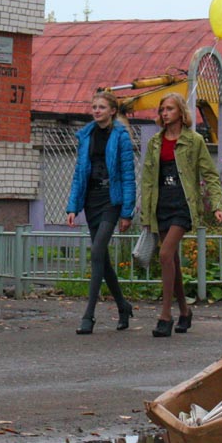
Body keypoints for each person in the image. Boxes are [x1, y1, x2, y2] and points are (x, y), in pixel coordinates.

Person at [140, 93, 222, 338]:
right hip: (161, 204)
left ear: (180, 112)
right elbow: (147, 180)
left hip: (182, 205)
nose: (164, 113)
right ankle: (185, 311)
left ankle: (165, 315)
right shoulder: (156, 142)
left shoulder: (194, 140)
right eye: (162, 109)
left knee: (165, 254)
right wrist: (146, 214)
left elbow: (209, 174)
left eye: (169, 109)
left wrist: (217, 204)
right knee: (172, 261)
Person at [65, 90, 137, 334]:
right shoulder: (86, 135)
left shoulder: (121, 137)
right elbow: (79, 174)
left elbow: (128, 175)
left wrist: (127, 212)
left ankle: (89, 315)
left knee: (97, 251)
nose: (96, 111)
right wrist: (73, 206)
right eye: (94, 107)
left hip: (111, 200)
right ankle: (123, 306)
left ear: (113, 111)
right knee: (102, 260)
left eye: (101, 107)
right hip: (91, 201)